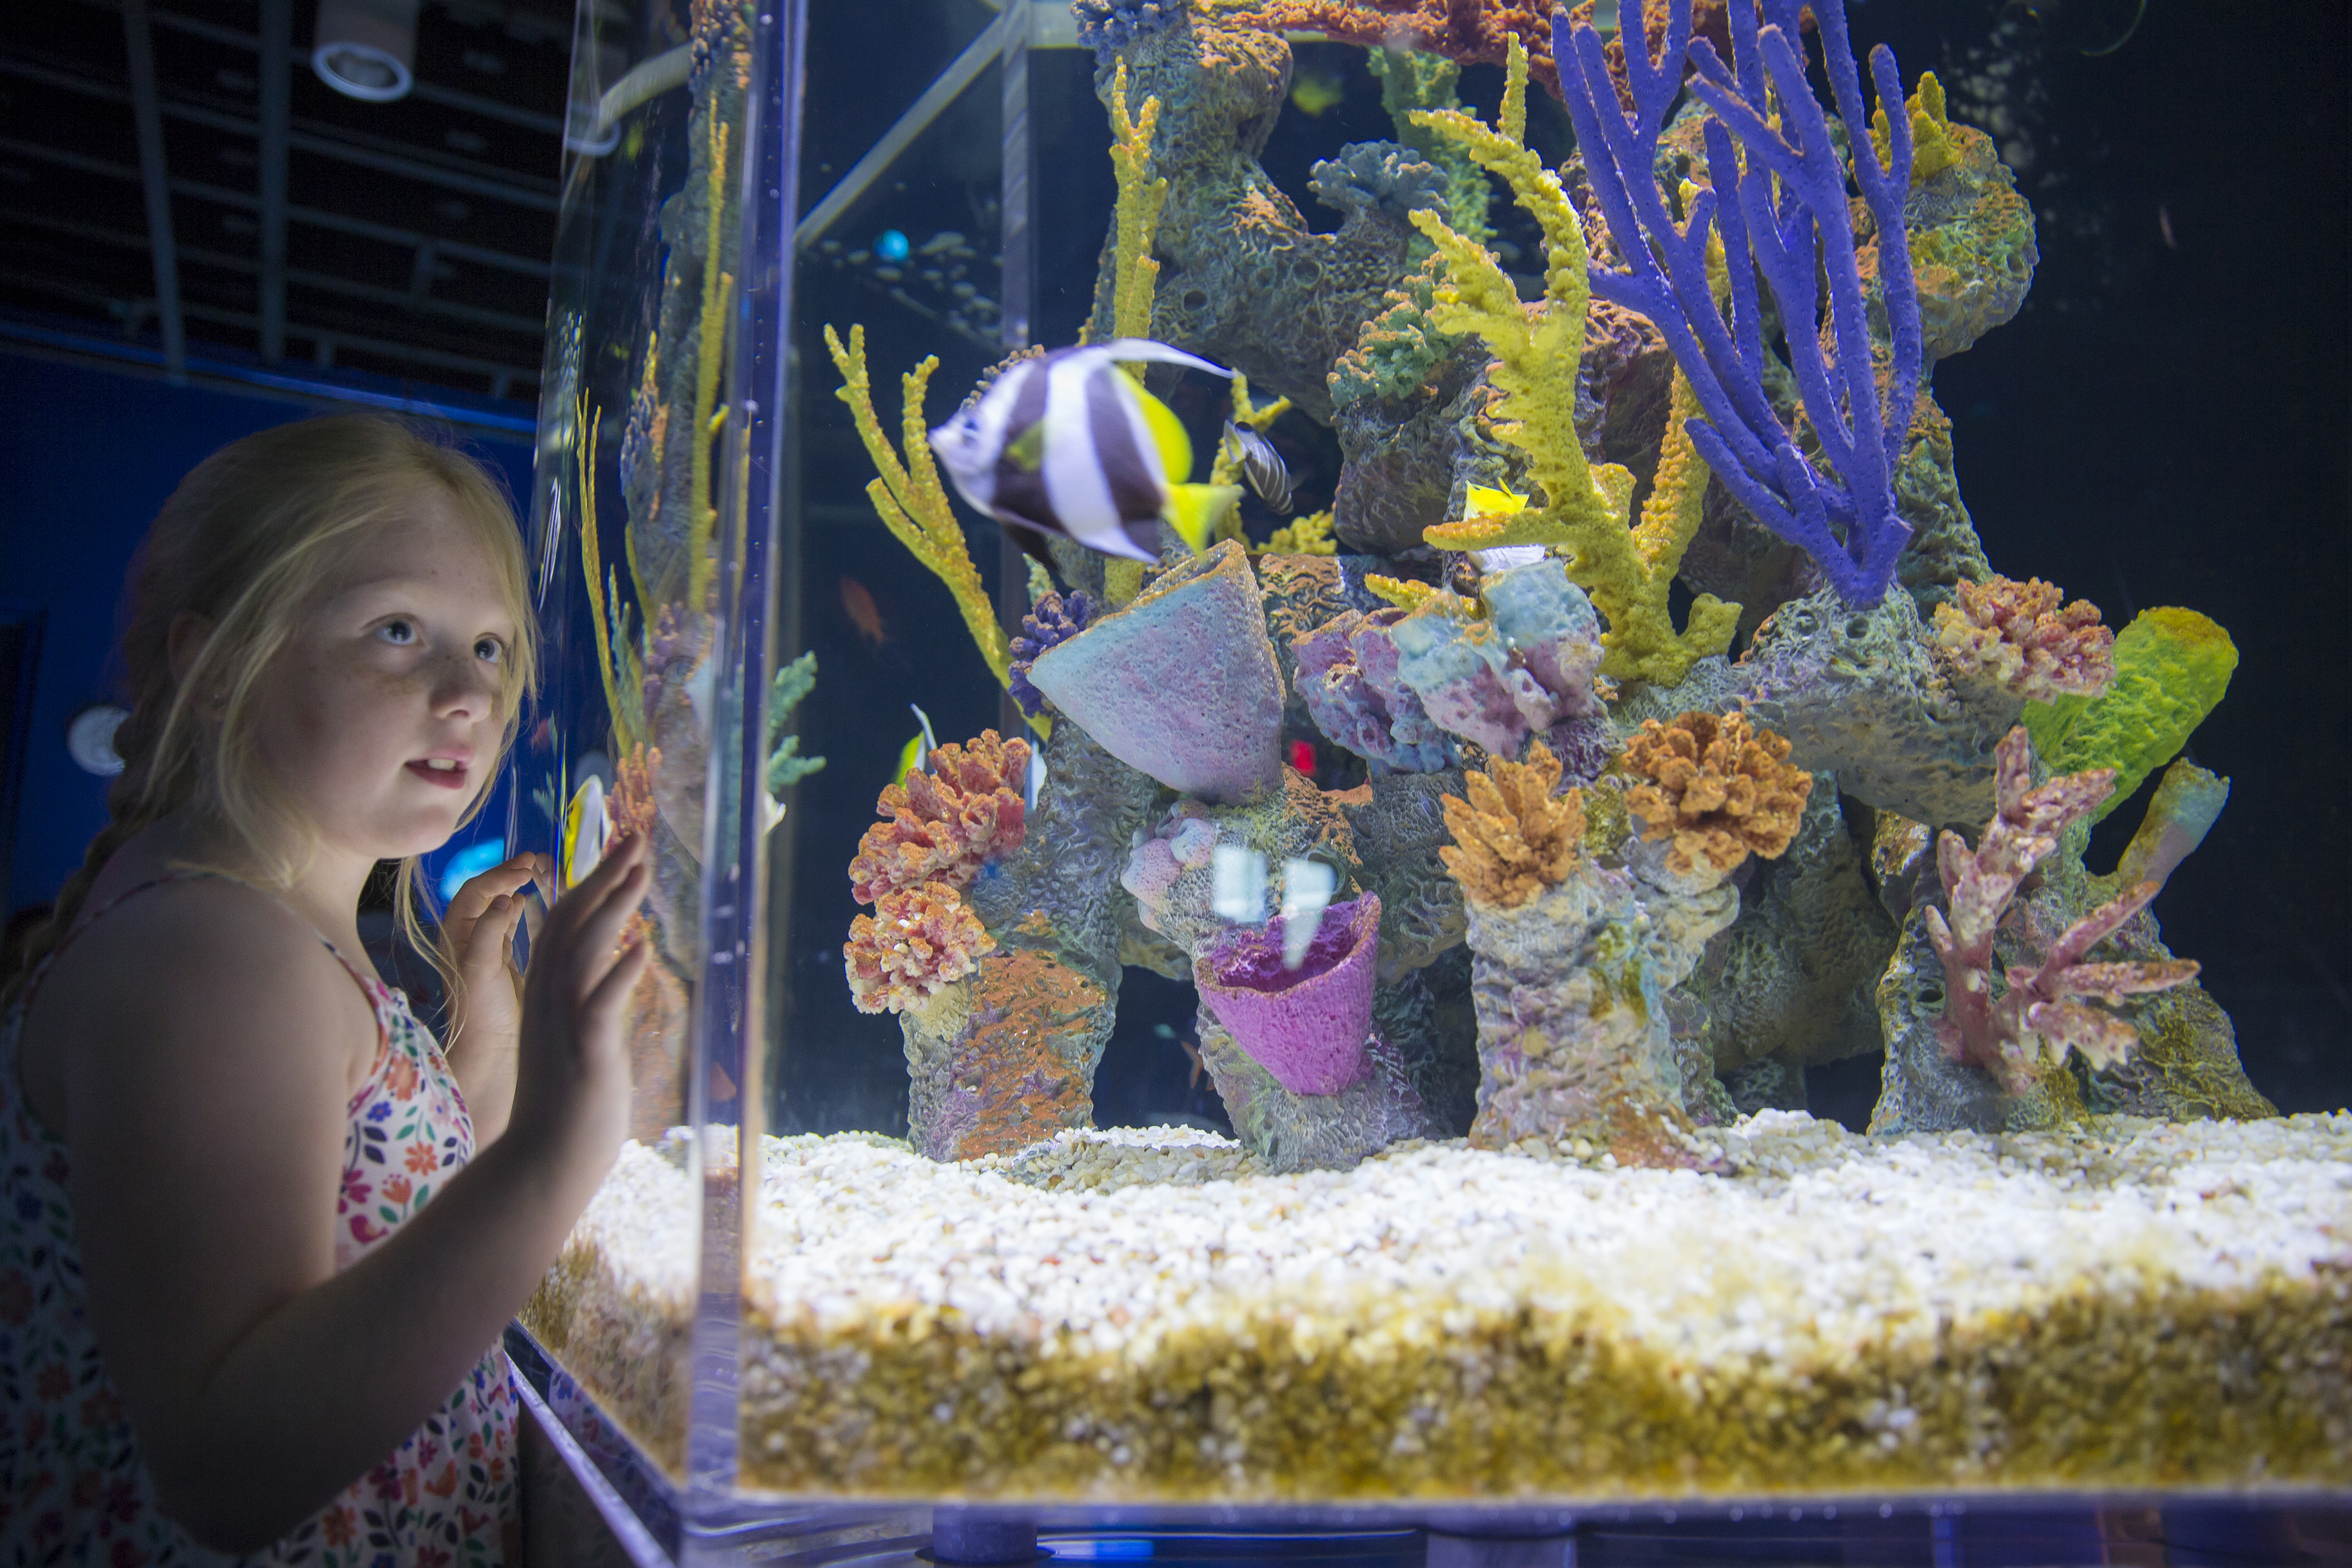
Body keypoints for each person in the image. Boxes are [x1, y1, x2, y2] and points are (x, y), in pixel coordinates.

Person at [0, 414, 650, 1565]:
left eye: (494, 647)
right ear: (212, 668)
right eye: (400, 631)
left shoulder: (264, 932)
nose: (467, 693)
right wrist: (563, 1146)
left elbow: (376, 1222)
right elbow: (226, 1462)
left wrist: (486, 1027)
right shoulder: (210, 956)